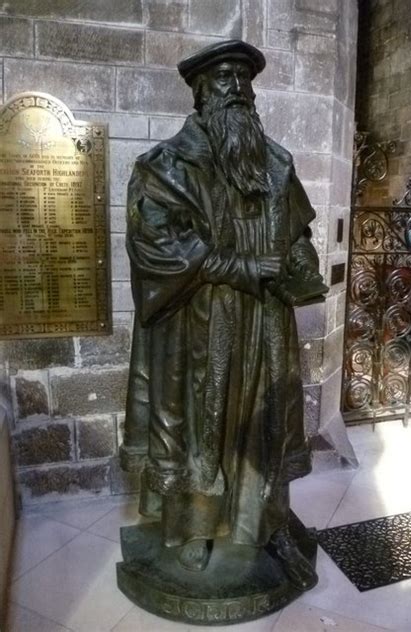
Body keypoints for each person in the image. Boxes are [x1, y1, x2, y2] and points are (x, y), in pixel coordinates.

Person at [120, 39, 327, 591]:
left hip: (264, 323)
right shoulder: (165, 167)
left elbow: (297, 234)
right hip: (200, 323)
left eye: (244, 79)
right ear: (200, 93)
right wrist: (239, 265)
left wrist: (300, 268)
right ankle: (192, 529)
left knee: (260, 421)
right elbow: (156, 246)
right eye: (223, 79)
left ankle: (262, 523)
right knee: (201, 425)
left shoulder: (276, 163)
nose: (237, 88)